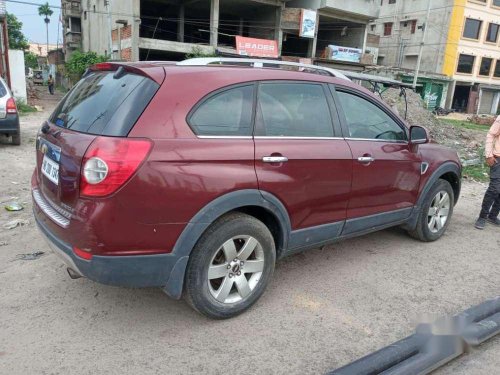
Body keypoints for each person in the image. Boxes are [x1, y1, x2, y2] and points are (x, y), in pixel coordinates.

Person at [475, 115, 500, 229]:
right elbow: (491, 134)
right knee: (494, 189)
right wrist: (488, 155)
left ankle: (493, 216)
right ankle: (482, 216)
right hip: (498, 159)